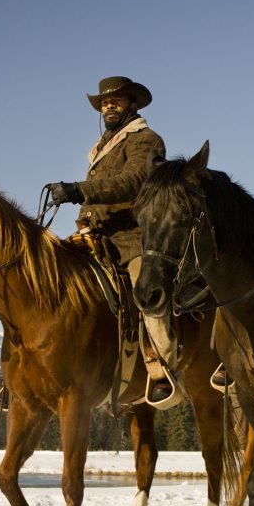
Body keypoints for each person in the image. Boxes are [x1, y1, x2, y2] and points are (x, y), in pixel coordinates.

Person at [45, 76, 177, 406]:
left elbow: (133, 181)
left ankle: (162, 367)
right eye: (104, 102)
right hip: (94, 237)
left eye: (115, 100)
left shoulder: (147, 140)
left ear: (133, 103)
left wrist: (78, 190)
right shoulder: (101, 149)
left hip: (131, 237)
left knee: (147, 292)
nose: (108, 106)